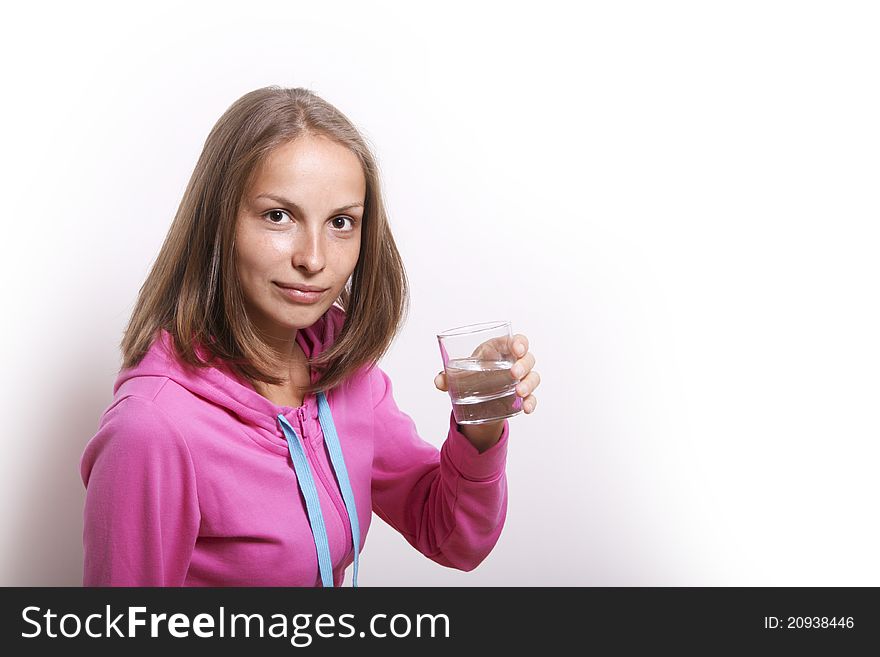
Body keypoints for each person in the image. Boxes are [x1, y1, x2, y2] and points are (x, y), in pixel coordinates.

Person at [79, 86, 541, 586]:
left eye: (342, 222)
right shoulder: (153, 428)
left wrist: (481, 421)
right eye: (279, 216)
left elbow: (450, 536)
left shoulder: (343, 369)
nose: (314, 259)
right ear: (218, 222)